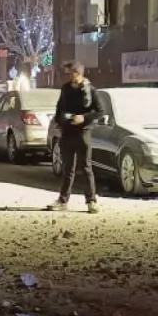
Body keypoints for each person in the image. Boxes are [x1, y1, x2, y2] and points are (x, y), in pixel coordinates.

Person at [50, 61, 101, 214]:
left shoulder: (90, 90)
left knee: (86, 168)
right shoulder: (65, 88)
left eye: (74, 73)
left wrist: (83, 118)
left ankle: (91, 201)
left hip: (82, 133)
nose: (72, 76)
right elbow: (59, 107)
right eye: (70, 73)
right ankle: (63, 200)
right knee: (68, 169)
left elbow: (100, 111)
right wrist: (60, 120)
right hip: (67, 133)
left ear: (80, 73)